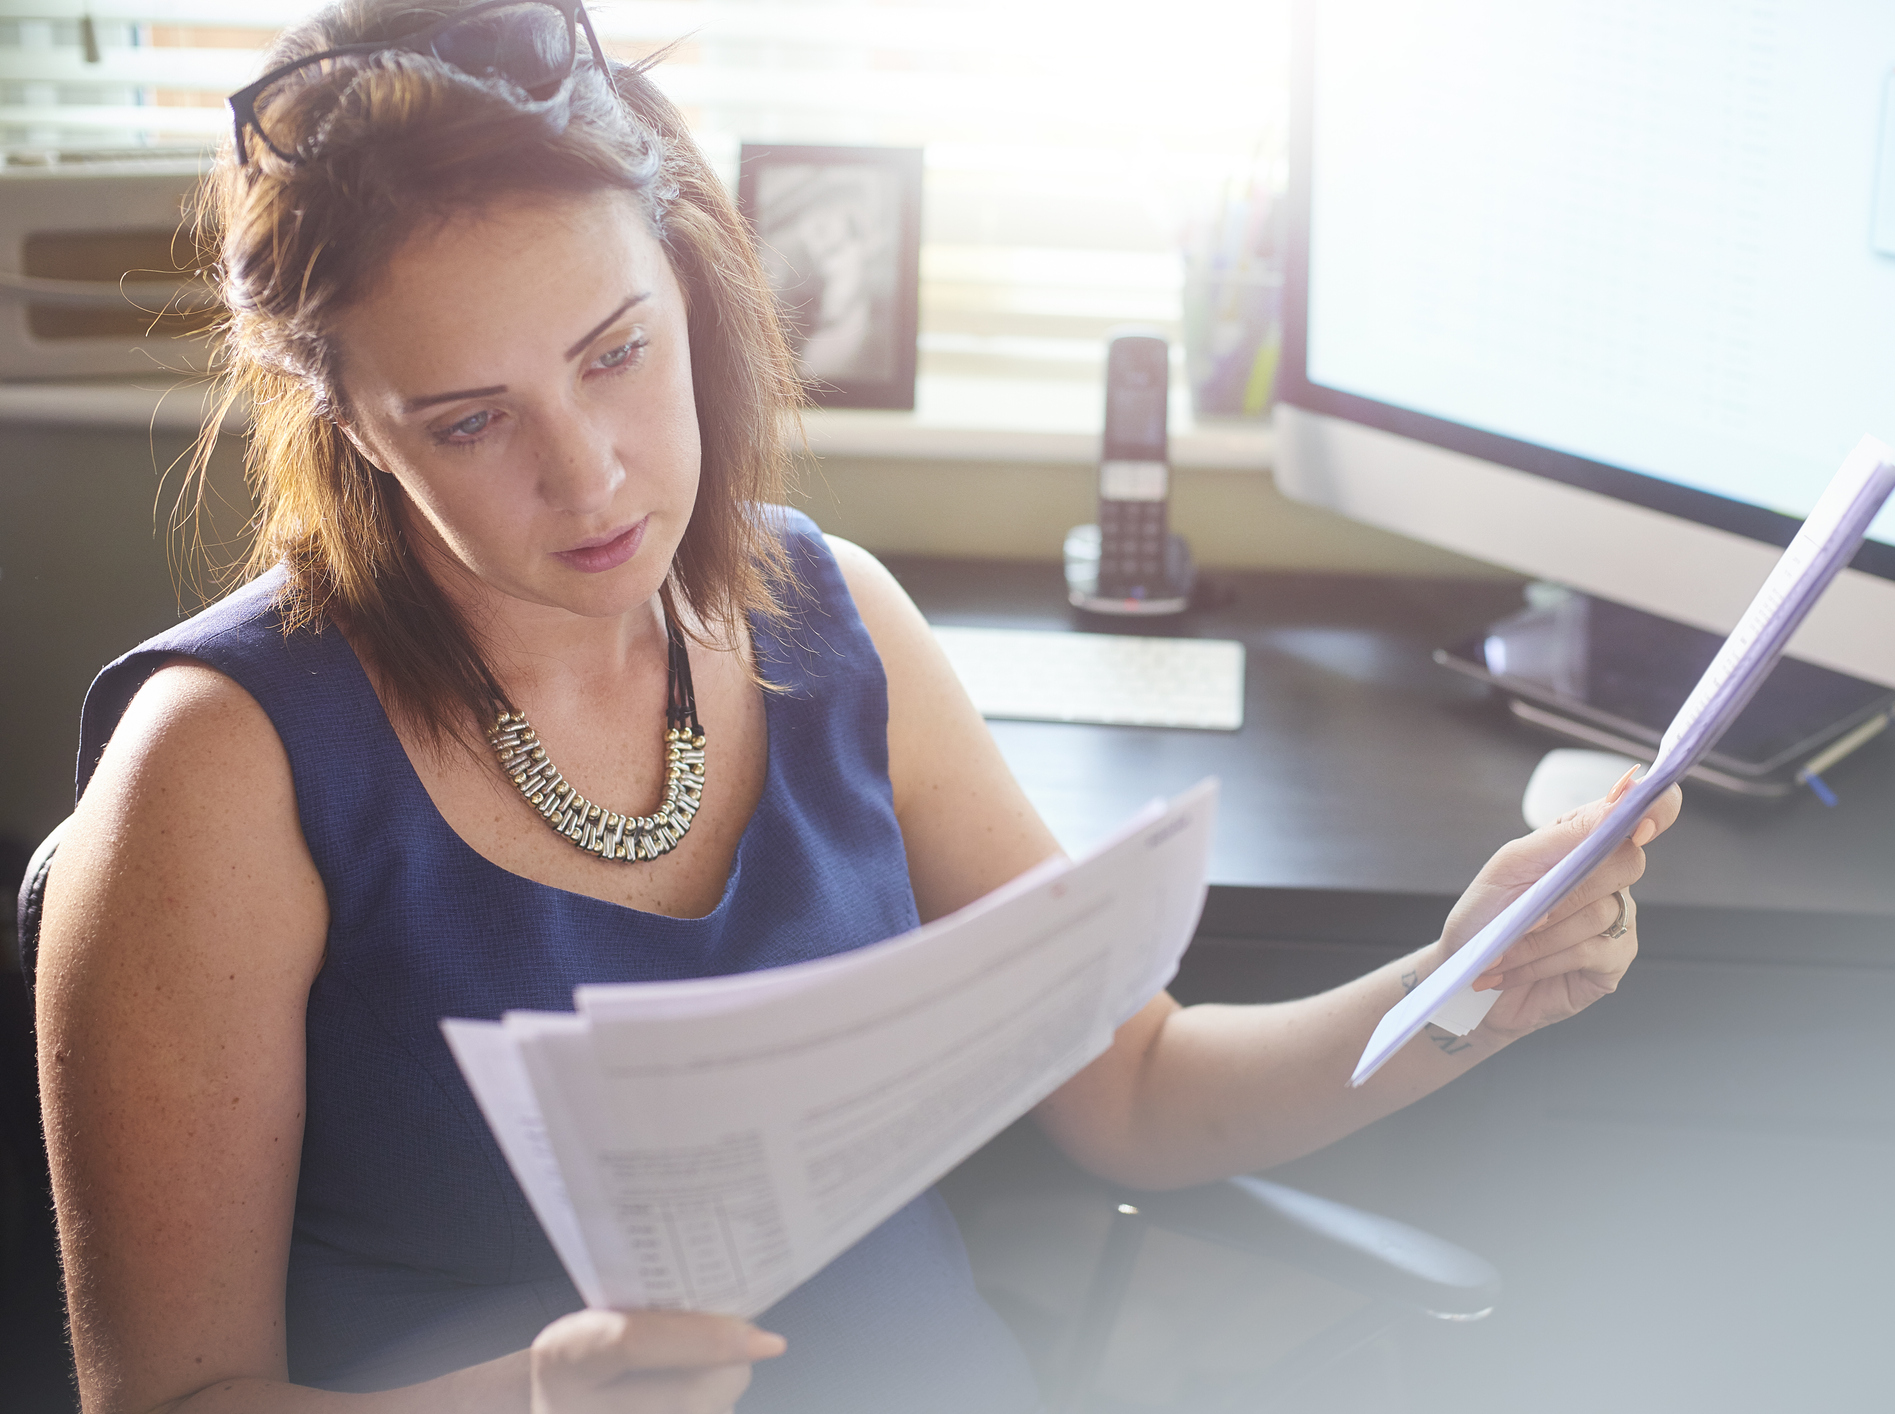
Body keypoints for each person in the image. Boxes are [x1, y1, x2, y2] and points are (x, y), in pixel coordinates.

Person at [33, 1, 1683, 1411]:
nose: (590, 469)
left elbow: (1134, 1087)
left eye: (618, 351)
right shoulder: (221, 773)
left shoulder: (831, 617)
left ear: (688, 281)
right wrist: (528, 1397)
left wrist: (1463, 990)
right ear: (350, 424)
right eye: (470, 421)